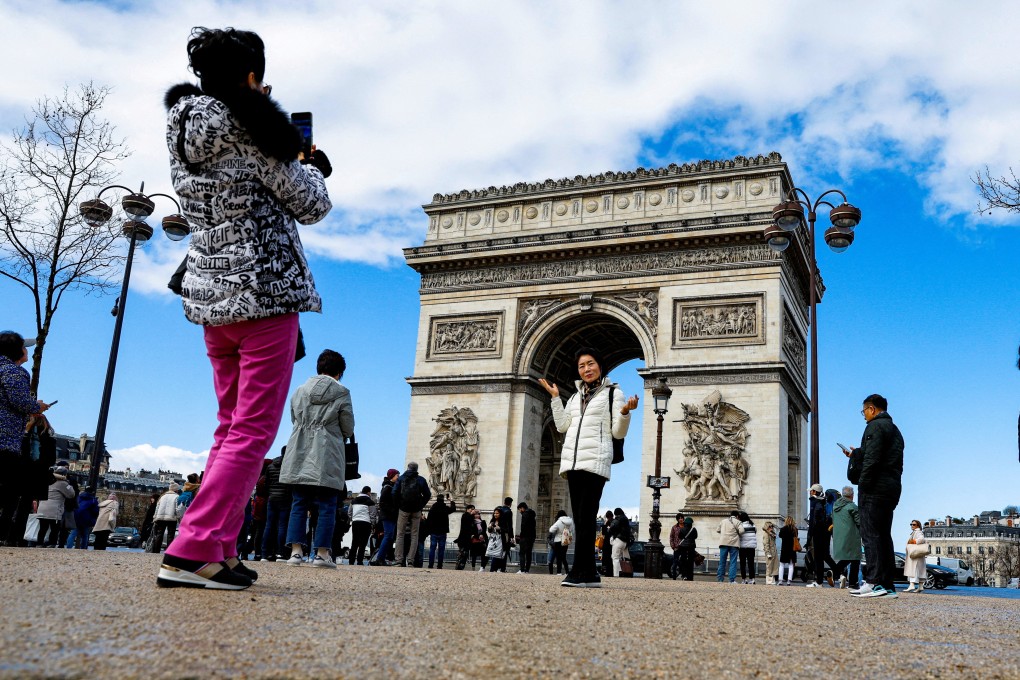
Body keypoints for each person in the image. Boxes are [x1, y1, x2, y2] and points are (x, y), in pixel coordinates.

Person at [157, 26, 333, 590]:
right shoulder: (255, 127)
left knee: (229, 427)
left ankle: (221, 550)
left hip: (212, 299)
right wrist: (310, 163)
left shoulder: (181, 125)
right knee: (252, 432)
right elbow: (310, 204)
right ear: (253, 76)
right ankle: (191, 550)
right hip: (263, 293)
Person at [539, 347, 638, 588]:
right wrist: (554, 397)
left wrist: (625, 412)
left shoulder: (614, 393)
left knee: (584, 520)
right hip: (573, 463)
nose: (586, 369)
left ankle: (579, 572)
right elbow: (562, 426)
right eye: (582, 366)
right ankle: (590, 574)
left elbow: (618, 432)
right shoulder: (573, 397)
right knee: (581, 518)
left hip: (595, 462)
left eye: (590, 364)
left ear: (600, 365)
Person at [281, 350, 354, 569]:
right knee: (327, 505)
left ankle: (295, 553)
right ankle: (322, 554)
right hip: (327, 452)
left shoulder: (299, 390)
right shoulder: (342, 392)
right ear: (339, 373)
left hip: (300, 450)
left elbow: (294, 418)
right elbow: (348, 428)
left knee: (299, 503)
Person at [848, 394, 904, 600]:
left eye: (863, 411)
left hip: (874, 488)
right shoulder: (895, 431)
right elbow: (882, 455)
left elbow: (873, 460)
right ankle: (887, 586)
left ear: (871, 409)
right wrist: (856, 454)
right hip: (891, 488)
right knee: (884, 537)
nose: (863, 415)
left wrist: (863, 483)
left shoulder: (874, 427)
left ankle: (872, 582)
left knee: (870, 535)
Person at [0, 332, 50, 545]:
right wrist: (37, 406)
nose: (27, 350)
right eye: (24, 347)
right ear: (17, 351)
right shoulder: (14, 371)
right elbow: (20, 403)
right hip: (6, 438)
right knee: (10, 489)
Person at [392, 462, 431, 568]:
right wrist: (420, 505)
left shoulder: (401, 478)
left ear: (408, 468)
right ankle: (410, 561)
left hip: (403, 509)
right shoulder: (421, 479)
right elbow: (428, 495)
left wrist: (399, 505)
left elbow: (394, 493)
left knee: (400, 534)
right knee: (415, 535)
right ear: (416, 469)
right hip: (416, 510)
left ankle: (399, 560)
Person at [261, 449, 290, 562]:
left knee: (269, 526)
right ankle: (280, 553)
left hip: (272, 499)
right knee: (282, 527)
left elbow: (266, 483)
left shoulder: (270, 466)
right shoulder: (289, 465)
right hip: (285, 499)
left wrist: (270, 493)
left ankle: (264, 554)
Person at [806, 484, 837, 588]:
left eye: (811, 491)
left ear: (814, 492)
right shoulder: (825, 501)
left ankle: (819, 582)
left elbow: (813, 521)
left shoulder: (815, 502)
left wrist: (809, 536)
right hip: (826, 532)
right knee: (825, 556)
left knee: (818, 558)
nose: (810, 492)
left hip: (818, 533)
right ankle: (840, 573)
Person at [831, 486, 862, 589]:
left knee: (847, 557)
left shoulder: (836, 506)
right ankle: (853, 583)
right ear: (852, 495)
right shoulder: (852, 506)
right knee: (855, 558)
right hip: (852, 535)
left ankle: (834, 571)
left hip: (840, 535)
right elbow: (859, 522)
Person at [35, 466, 74, 547]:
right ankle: (52, 543)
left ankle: (39, 543)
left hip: (42, 506)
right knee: (54, 528)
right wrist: (68, 484)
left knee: (42, 528)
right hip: (54, 509)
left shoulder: (47, 481)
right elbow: (71, 494)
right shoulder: (63, 483)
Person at [369, 468, 400, 566]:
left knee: (389, 537)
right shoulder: (387, 487)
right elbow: (382, 503)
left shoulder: (392, 486)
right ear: (392, 476)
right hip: (388, 516)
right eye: (397, 475)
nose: (398, 477)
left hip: (391, 515)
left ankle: (381, 558)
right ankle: (379, 558)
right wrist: (393, 510)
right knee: (388, 536)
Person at [148, 484, 181, 553]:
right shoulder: (177, 497)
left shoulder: (162, 497)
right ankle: (169, 551)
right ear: (176, 490)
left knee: (159, 534)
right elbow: (177, 509)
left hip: (160, 517)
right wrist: (179, 518)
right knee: (170, 535)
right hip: (171, 518)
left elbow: (157, 507)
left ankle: (156, 551)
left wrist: (155, 517)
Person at [426, 494, 456, 569]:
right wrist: (451, 500)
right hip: (442, 531)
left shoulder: (433, 508)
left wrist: (429, 530)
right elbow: (453, 509)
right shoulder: (445, 508)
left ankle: (430, 565)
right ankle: (439, 565)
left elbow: (428, 520)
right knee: (441, 549)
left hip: (434, 532)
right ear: (443, 500)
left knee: (432, 549)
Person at [349, 485, 376, 566]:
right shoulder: (370, 502)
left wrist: (353, 518)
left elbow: (349, 512)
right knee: (363, 543)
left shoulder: (353, 501)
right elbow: (372, 515)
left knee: (354, 542)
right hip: (365, 523)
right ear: (368, 492)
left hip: (355, 522)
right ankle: (360, 561)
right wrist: (373, 525)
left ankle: (351, 561)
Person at [716, 510, 743, 583]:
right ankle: (731, 580)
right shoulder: (738, 522)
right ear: (737, 516)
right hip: (734, 543)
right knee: (733, 562)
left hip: (723, 542)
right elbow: (742, 531)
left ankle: (720, 579)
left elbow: (718, 530)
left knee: (722, 561)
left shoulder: (723, 521)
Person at [607, 508, 633, 577]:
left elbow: (611, 529)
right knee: (622, 558)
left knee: (615, 558)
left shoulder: (618, 519)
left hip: (618, 540)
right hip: (625, 542)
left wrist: (609, 527)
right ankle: (623, 573)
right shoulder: (626, 519)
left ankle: (616, 575)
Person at [903, 519, 928, 593]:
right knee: (920, 570)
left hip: (915, 555)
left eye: (914, 524)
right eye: (911, 524)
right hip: (918, 554)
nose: (912, 526)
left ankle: (912, 585)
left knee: (912, 569)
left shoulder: (918, 532)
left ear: (918, 525)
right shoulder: (915, 532)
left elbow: (922, 539)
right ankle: (920, 586)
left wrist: (913, 541)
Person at [548, 510, 574, 576]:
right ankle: (567, 572)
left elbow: (551, 530)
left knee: (558, 557)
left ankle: (559, 572)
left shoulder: (559, 521)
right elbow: (572, 530)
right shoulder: (571, 521)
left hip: (558, 540)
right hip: (566, 540)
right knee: (564, 557)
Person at [485, 508, 509, 572]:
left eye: (497, 513)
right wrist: (490, 528)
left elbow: (507, 530)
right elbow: (490, 531)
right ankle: (494, 569)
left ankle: (499, 569)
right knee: (494, 554)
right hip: (493, 540)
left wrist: (500, 528)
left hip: (501, 540)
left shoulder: (504, 521)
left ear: (500, 514)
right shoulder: (492, 521)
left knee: (499, 555)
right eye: (495, 513)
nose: (495, 514)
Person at [454, 503, 477, 570]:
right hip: (463, 539)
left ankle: (461, 566)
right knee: (461, 554)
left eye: (473, 509)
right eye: (471, 509)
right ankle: (458, 567)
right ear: (467, 509)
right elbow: (468, 522)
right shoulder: (465, 515)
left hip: (467, 539)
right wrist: (472, 514)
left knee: (465, 554)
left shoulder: (470, 516)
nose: (472, 511)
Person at [675, 517, 698, 582]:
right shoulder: (694, 530)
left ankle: (684, 575)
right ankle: (690, 577)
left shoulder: (682, 529)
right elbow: (696, 537)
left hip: (683, 547)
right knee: (690, 562)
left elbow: (679, 536)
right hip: (691, 547)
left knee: (683, 561)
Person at [516, 502, 537, 574]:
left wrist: (521, 536)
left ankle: (522, 569)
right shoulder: (532, 514)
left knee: (522, 553)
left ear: (522, 508)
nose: (519, 511)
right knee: (529, 553)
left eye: (519, 509)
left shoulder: (525, 514)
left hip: (525, 537)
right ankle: (527, 570)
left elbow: (523, 526)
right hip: (532, 536)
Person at [737, 511, 757, 584]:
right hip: (751, 547)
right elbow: (755, 533)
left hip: (743, 547)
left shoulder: (741, 525)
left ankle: (744, 579)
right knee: (751, 564)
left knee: (743, 564)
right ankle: (752, 579)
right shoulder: (753, 525)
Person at [778, 515, 797, 585]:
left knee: (782, 565)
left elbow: (780, 536)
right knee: (791, 565)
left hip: (784, 549)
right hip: (792, 549)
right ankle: (789, 581)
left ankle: (780, 580)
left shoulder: (783, 529)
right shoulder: (795, 530)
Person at [761, 521, 779, 585]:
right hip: (770, 553)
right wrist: (768, 553)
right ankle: (768, 580)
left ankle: (772, 580)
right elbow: (766, 544)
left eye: (772, 526)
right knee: (769, 567)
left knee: (774, 567)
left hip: (774, 552)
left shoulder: (771, 534)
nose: (771, 528)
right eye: (770, 527)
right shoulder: (766, 534)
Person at [668, 514, 685, 580]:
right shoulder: (674, 527)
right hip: (676, 548)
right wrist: (673, 546)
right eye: (679, 518)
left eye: (682, 518)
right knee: (675, 563)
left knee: (683, 562)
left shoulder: (686, 527)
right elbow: (671, 537)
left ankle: (683, 576)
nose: (681, 519)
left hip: (684, 547)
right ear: (677, 519)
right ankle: (674, 577)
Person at [600, 510, 615, 576]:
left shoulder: (607, 524)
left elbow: (603, 533)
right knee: (610, 558)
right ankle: (610, 571)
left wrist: (605, 524)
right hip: (611, 543)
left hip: (606, 543)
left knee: (606, 558)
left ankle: (606, 571)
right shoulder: (614, 522)